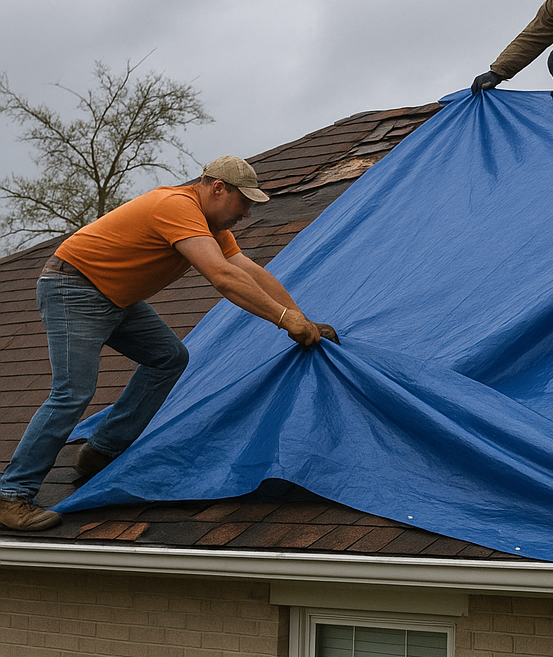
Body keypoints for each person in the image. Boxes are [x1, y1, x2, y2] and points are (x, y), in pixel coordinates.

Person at [0, 156, 338, 532]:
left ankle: (101, 450)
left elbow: (248, 270)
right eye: (243, 202)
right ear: (218, 188)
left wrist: (301, 317)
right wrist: (283, 319)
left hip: (115, 297)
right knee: (72, 392)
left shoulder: (209, 224)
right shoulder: (176, 206)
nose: (245, 214)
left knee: (169, 357)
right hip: (73, 289)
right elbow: (223, 277)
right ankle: (12, 494)